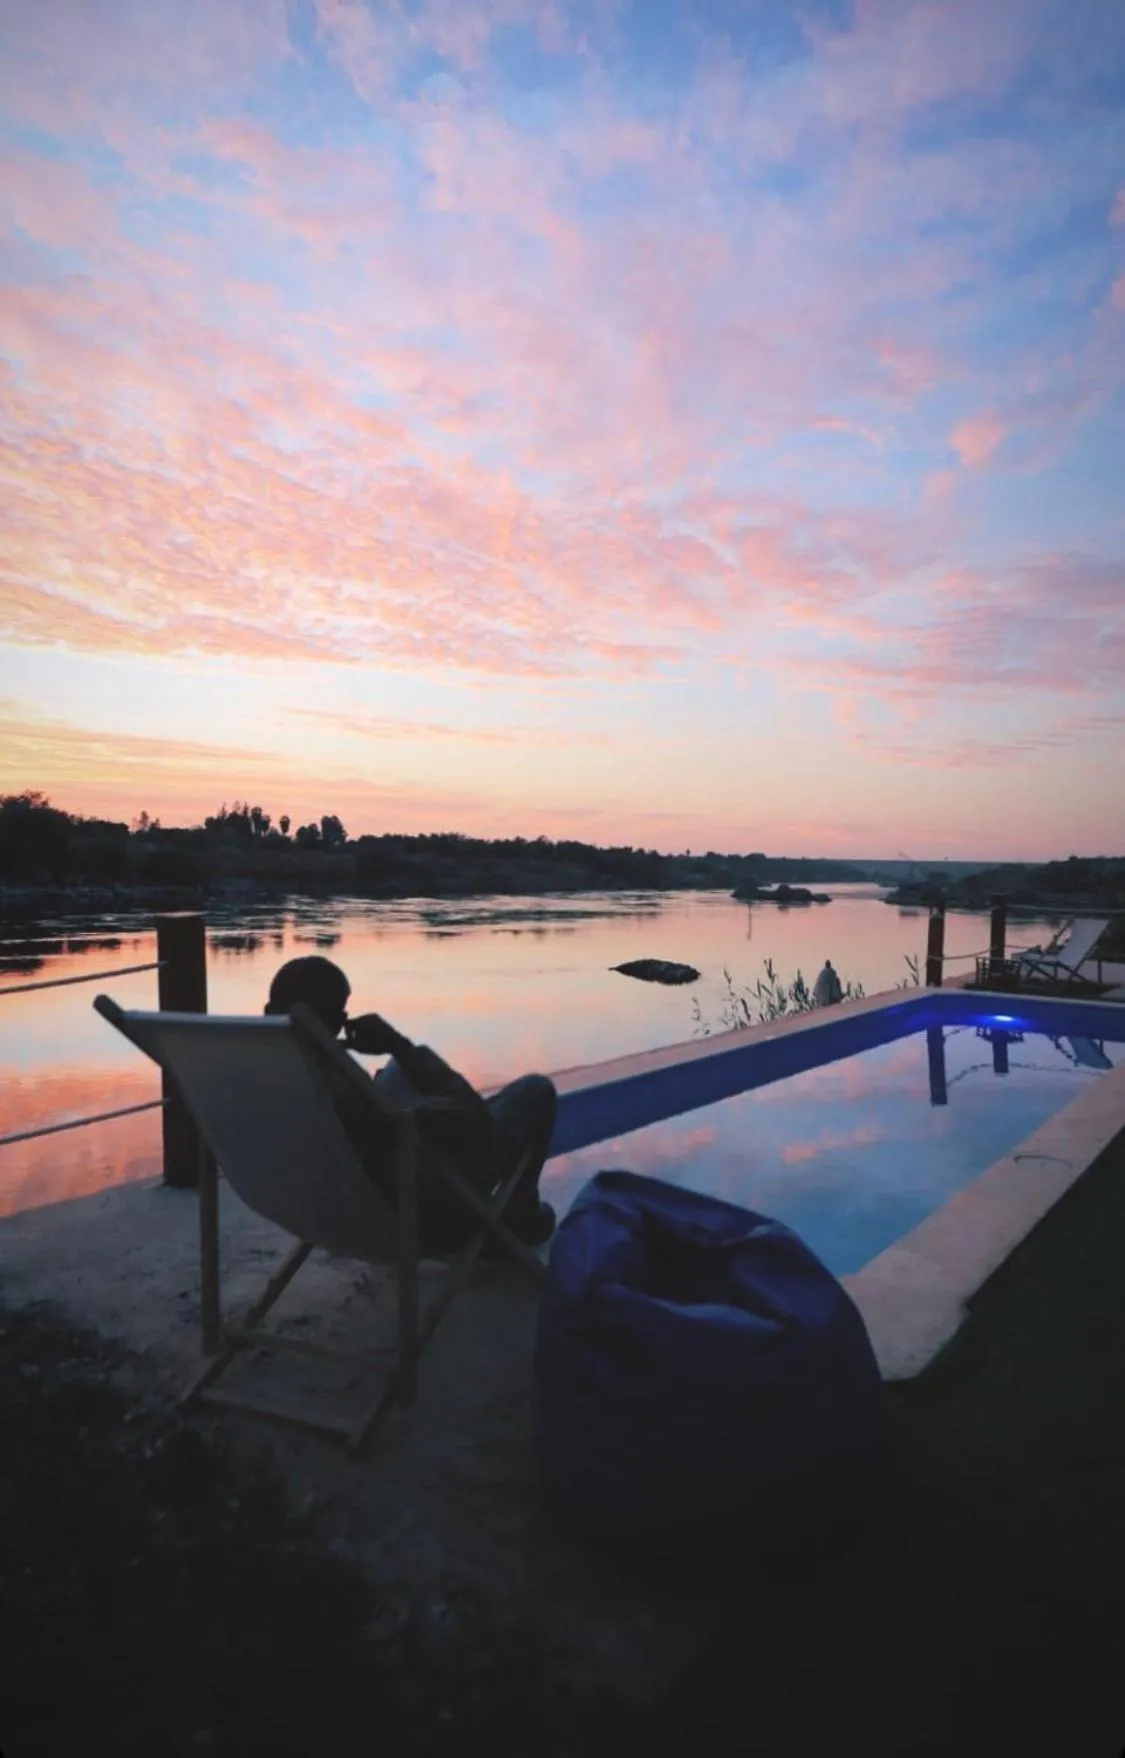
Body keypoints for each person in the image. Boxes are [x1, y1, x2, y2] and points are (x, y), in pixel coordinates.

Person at [264, 956, 557, 1251]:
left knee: (397, 1071)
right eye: (340, 1011)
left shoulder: (262, 1070)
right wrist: (399, 1045)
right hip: (419, 1210)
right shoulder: (340, 1090)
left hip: (324, 1208)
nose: (345, 1020)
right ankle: (518, 1219)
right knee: (535, 1091)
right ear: (331, 1021)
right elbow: (472, 1115)